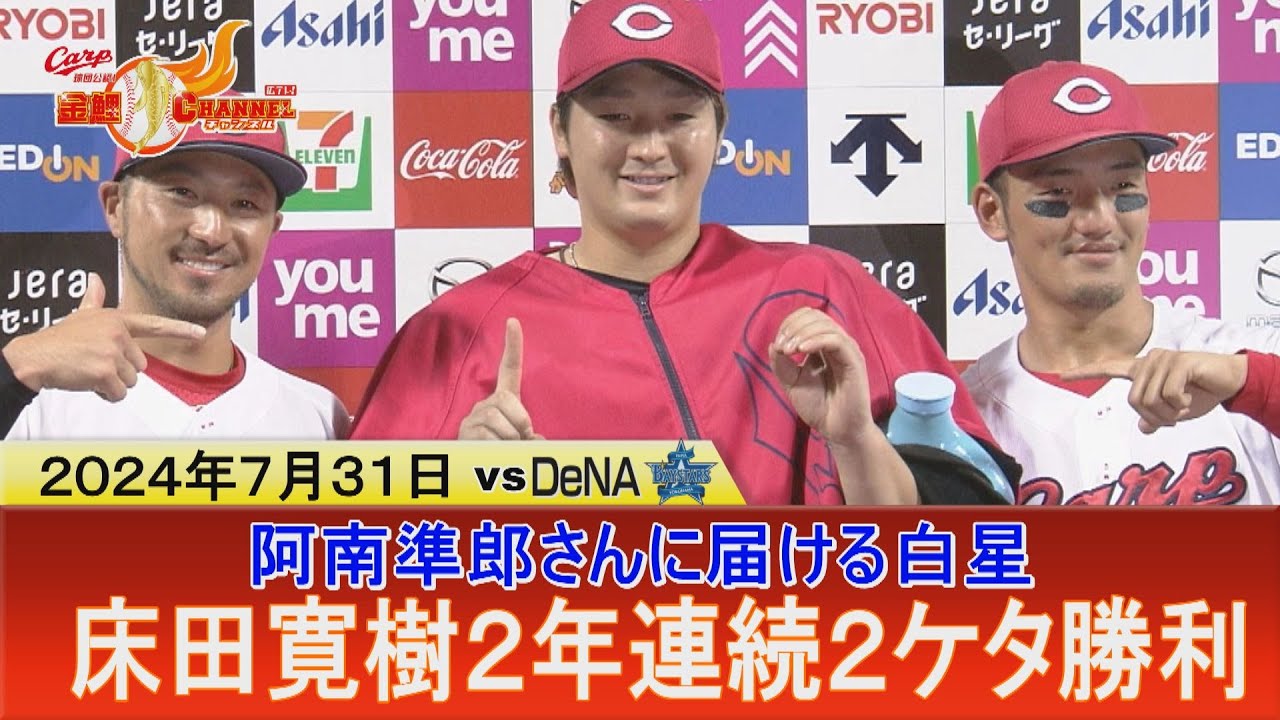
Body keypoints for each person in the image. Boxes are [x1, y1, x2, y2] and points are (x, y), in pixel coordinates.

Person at [352, 0, 1016, 505]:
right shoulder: (462, 329)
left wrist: (855, 439)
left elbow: (966, 533)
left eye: (679, 117)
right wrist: (455, 491)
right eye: (615, 117)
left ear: (720, 128)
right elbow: (343, 562)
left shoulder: (816, 287)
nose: (649, 147)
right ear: (560, 130)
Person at [963, 60, 1280, 505]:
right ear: (992, 212)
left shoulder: (1247, 364)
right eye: (1058, 193)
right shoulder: (965, 424)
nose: (1100, 220)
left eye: (1122, 185)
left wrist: (1250, 385)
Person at [2, 124, 349, 439]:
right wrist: (17, 370)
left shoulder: (318, 421)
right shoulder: (29, 400)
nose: (212, 232)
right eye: (182, 192)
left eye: (245, 204)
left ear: (272, 229)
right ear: (115, 208)